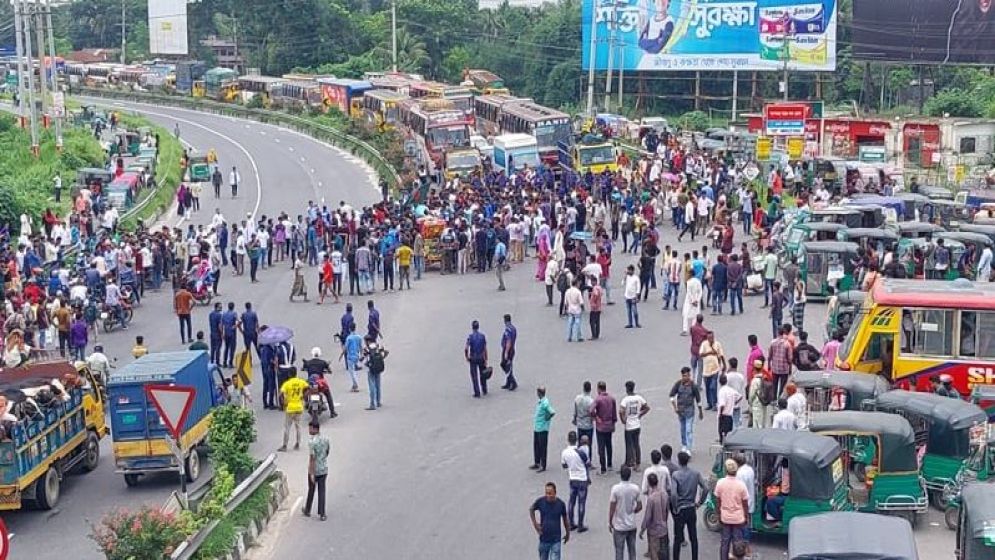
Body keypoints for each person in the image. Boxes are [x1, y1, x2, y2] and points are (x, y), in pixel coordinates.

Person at [670, 451, 707, 560]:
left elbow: (673, 494)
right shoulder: (695, 473)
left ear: (679, 461)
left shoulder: (676, 475)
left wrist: (675, 507)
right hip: (691, 508)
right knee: (693, 537)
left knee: (677, 538)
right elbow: (705, 488)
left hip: (681, 509)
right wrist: (700, 502)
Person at [714, 458, 750, 560]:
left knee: (724, 543)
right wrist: (745, 516)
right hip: (738, 519)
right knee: (737, 543)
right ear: (736, 470)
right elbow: (745, 503)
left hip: (725, 518)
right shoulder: (741, 485)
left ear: (726, 470)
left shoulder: (720, 483)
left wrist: (718, 514)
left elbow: (718, 501)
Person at [529, 482, 570, 560]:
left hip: (556, 540)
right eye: (546, 493)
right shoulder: (540, 502)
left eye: (550, 493)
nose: (548, 496)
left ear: (555, 493)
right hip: (544, 539)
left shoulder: (560, 504)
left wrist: (568, 533)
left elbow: (565, 520)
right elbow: (531, 509)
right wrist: (535, 524)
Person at [609, 465, 642, 560]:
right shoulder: (635, 488)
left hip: (619, 526)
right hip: (631, 525)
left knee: (619, 552)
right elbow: (640, 506)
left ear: (620, 475)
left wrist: (610, 521)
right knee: (632, 551)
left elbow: (612, 507)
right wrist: (632, 511)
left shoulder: (615, 489)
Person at [561, 431, 591, 533]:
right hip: (582, 479)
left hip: (572, 478)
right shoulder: (581, 452)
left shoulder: (564, 452)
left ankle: (571, 523)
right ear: (577, 440)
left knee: (571, 501)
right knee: (581, 502)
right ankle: (580, 525)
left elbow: (564, 466)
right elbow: (588, 464)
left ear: (568, 440)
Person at [669, 367, 703, 455]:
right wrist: (675, 407)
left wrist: (700, 412)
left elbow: (698, 399)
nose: (686, 378)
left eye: (687, 376)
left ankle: (688, 448)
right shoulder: (678, 384)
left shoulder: (693, 386)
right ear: (682, 376)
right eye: (684, 376)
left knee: (688, 430)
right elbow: (671, 396)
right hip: (680, 411)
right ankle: (684, 445)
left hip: (690, 411)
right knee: (682, 429)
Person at [302, 421, 330, 521]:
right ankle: (322, 513)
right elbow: (327, 452)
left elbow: (312, 458)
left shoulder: (312, 442)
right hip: (324, 468)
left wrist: (312, 473)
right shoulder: (326, 439)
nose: (309, 430)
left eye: (310, 428)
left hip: (314, 469)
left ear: (315, 429)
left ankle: (307, 510)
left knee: (311, 490)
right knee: (322, 491)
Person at [619, 380, 650, 469]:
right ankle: (637, 463)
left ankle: (629, 462)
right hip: (637, 424)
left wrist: (623, 420)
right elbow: (647, 407)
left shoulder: (625, 400)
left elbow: (621, 411)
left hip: (629, 426)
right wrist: (640, 414)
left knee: (629, 445)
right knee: (636, 444)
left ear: (627, 389)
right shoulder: (639, 398)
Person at [640, 471, 670, 560]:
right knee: (664, 553)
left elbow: (648, 516)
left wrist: (642, 529)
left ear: (649, 483)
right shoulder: (664, 494)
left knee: (654, 553)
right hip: (664, 528)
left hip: (654, 530)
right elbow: (667, 510)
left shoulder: (651, 498)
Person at [590, 381, 618, 474]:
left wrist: (596, 417)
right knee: (609, 445)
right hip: (609, 425)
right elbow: (614, 413)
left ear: (598, 389)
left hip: (600, 427)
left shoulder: (598, 399)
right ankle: (609, 464)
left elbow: (590, 410)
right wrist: (613, 423)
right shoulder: (611, 399)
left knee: (601, 447)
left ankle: (603, 467)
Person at [278, 372, 310, 451]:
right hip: (299, 406)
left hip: (290, 407)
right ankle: (298, 444)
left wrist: (283, 403)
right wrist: (304, 397)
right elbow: (308, 388)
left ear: (289, 375)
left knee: (287, 427)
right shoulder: (301, 382)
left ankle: (285, 445)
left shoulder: (287, 384)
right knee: (298, 426)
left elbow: (281, 394)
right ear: (296, 373)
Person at [531, 386, 556, 472]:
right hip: (537, 428)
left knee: (542, 447)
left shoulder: (545, 403)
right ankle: (537, 462)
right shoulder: (540, 401)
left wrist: (547, 418)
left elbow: (552, 412)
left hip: (543, 429)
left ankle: (543, 465)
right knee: (536, 446)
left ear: (539, 393)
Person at [699, 330, 725, 410]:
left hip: (715, 368)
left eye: (712, 337)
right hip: (706, 370)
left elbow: (721, 355)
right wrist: (709, 353)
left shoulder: (717, 344)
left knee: (713, 387)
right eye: (709, 338)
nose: (711, 339)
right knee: (707, 387)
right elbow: (701, 354)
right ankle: (709, 403)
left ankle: (714, 403)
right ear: (707, 338)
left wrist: (724, 365)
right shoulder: (704, 344)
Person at [363, 336, 388, 410]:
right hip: (378, 368)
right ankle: (378, 402)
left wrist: (366, 363)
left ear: (367, 341)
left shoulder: (367, 349)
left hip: (371, 369)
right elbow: (386, 353)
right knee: (378, 385)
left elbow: (363, 358)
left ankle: (372, 404)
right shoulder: (378, 346)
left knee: (372, 387)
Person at [465, 320, 488, 398]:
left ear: (472, 327)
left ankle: (477, 392)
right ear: (478, 327)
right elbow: (485, 349)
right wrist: (486, 359)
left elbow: (466, 348)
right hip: (481, 357)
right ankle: (484, 389)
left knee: (474, 376)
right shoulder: (482, 336)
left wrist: (467, 357)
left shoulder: (470, 337)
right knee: (483, 374)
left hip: (473, 357)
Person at [764, 458, 790, 524]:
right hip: (785, 493)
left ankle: (779, 519)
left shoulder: (787, 472)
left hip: (788, 496)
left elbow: (786, 488)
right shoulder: (785, 471)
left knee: (770, 501)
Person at [716, 374, 739, 443]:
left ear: (719, 382)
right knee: (728, 433)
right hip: (730, 415)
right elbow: (740, 396)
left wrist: (720, 413)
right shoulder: (731, 390)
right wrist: (734, 403)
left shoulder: (721, 391)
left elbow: (722, 404)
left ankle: (723, 445)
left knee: (722, 433)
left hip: (724, 415)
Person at [725, 358, 746, 429]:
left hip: (729, 401)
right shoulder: (741, 376)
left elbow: (725, 387)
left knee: (729, 420)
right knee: (737, 419)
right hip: (738, 400)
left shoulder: (727, 376)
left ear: (730, 366)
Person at [500, 314, 518, 391]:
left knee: (506, 366)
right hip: (512, 349)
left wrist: (506, 352)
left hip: (508, 350)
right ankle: (508, 382)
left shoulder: (508, 330)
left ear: (505, 320)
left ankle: (513, 382)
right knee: (509, 366)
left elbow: (509, 341)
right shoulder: (513, 328)